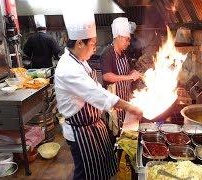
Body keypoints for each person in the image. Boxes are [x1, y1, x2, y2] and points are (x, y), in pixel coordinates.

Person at [55, 7, 142, 180]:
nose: (94, 49)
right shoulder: (68, 69)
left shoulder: (79, 61)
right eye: (93, 44)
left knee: (101, 167)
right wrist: (130, 107)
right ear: (80, 43)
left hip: (92, 125)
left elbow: (96, 89)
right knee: (84, 174)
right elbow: (97, 93)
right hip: (80, 132)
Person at [101, 17, 142, 131]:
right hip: (114, 100)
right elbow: (107, 76)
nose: (128, 43)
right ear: (118, 37)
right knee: (114, 129)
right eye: (127, 39)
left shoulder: (123, 53)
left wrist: (132, 72)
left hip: (124, 98)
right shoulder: (107, 53)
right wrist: (129, 77)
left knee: (124, 128)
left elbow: (125, 71)